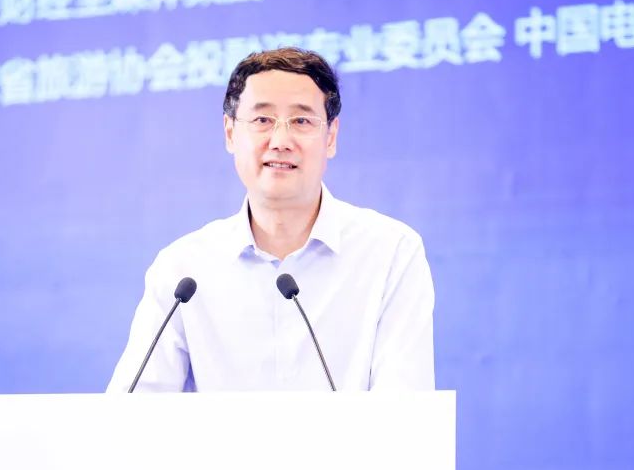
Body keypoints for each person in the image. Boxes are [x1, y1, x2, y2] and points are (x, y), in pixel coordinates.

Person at [107, 47, 434, 392]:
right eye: (262, 120)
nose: (280, 141)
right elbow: (131, 411)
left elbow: (405, 407)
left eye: (302, 121)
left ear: (331, 137)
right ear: (230, 133)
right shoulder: (182, 270)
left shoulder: (390, 254)